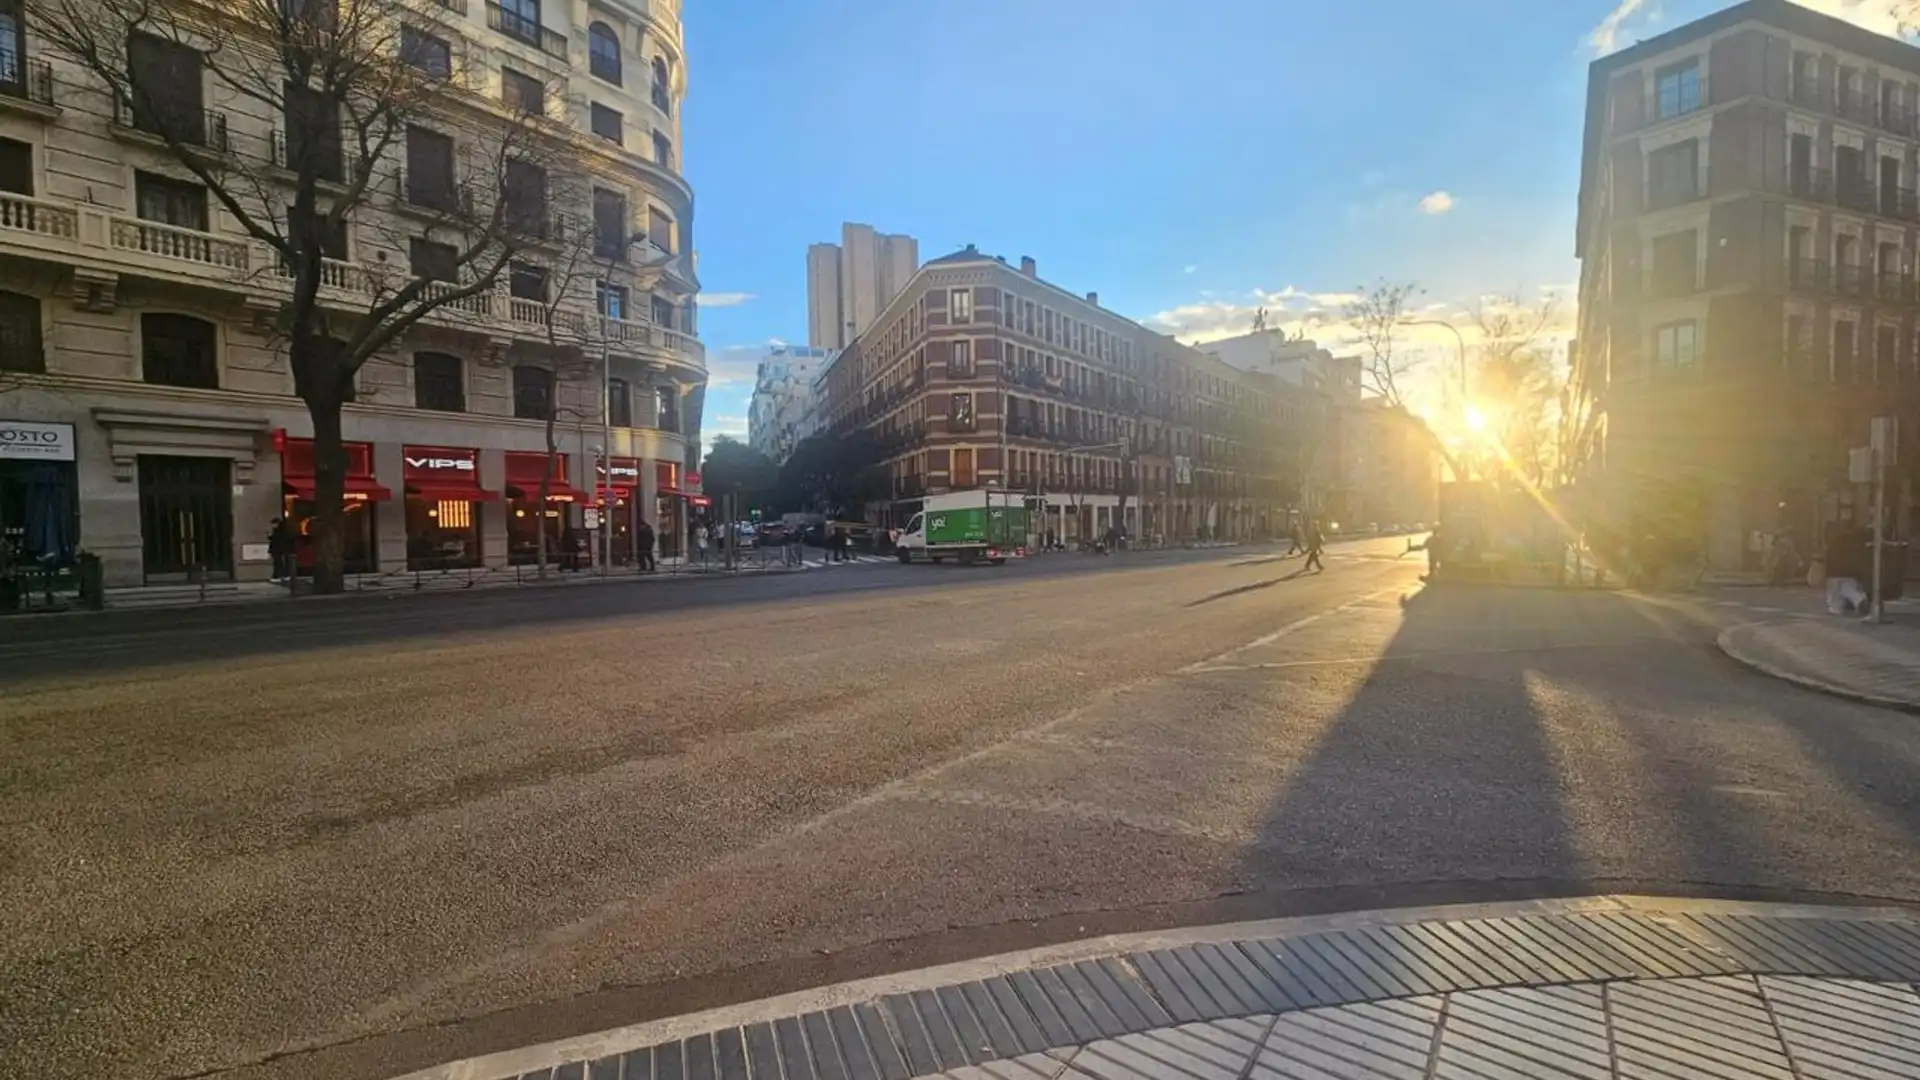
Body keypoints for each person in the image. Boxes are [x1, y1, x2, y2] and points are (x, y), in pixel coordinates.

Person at [267, 516, 295, 584]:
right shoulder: (282, 530)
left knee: (278, 563)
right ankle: (282, 576)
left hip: (278, 549)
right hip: (280, 549)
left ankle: (278, 576)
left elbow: (276, 540)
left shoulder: (279, 531)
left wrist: (271, 537)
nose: (273, 525)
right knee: (279, 563)